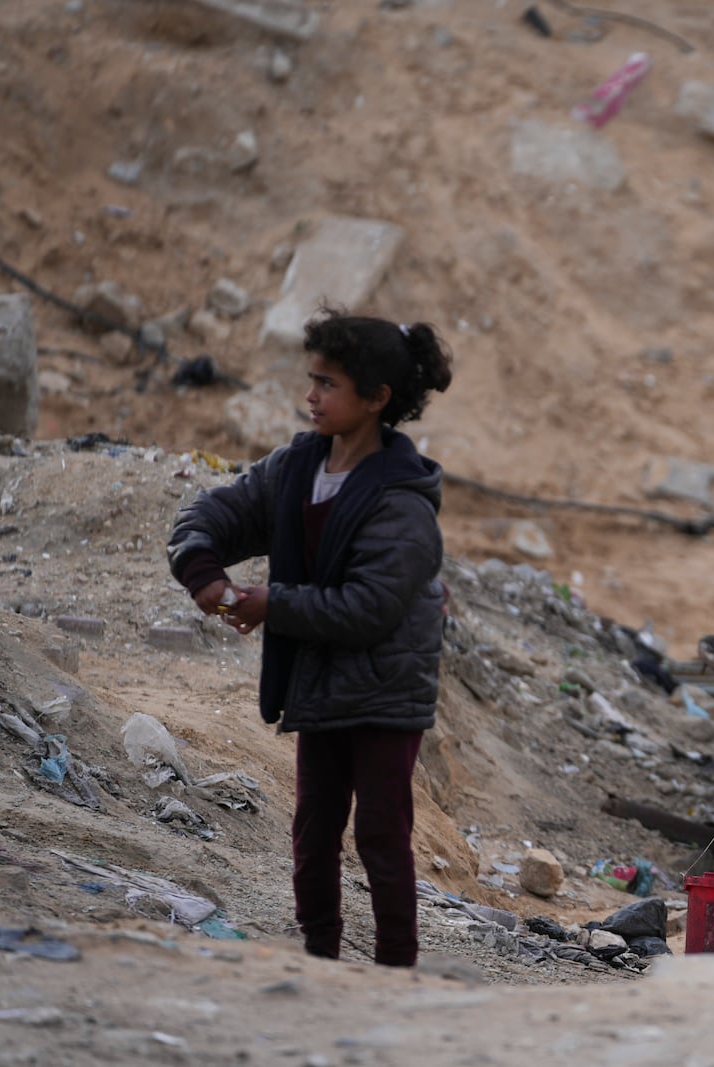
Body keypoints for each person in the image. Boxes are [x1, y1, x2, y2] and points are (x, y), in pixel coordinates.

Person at [167, 310, 453, 968]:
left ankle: (395, 968)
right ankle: (319, 957)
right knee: (313, 829)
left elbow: (369, 608)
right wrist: (203, 569)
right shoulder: (297, 468)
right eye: (312, 379)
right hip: (320, 684)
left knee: (383, 834)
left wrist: (272, 604)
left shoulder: (403, 504)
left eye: (329, 384)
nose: (312, 396)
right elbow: (215, 510)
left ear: (378, 399)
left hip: (385, 691)